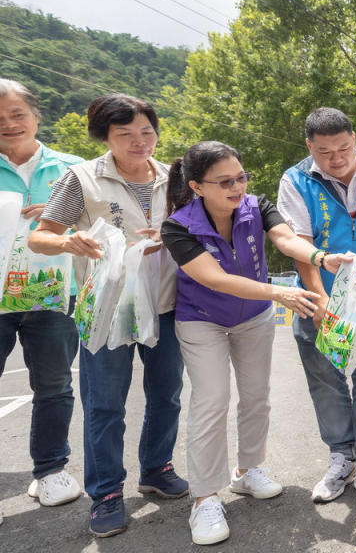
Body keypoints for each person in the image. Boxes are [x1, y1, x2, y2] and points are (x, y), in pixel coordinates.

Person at [160, 141, 350, 545]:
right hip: (202, 320)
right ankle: (205, 498)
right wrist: (278, 294)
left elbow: (284, 238)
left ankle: (248, 471)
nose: (237, 188)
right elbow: (214, 278)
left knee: (256, 396)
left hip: (252, 319)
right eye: (225, 182)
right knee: (211, 401)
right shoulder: (178, 225)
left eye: (241, 177)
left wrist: (319, 257)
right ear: (197, 186)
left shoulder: (257, 205)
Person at [28, 94, 187, 538]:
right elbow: (41, 238)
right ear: (104, 137)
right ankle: (106, 493)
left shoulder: (175, 176)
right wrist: (69, 242)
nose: (140, 142)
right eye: (125, 135)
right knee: (104, 405)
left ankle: (156, 468)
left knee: (167, 395)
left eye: (147, 132)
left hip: (167, 303)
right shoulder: (79, 179)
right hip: (107, 309)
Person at [277, 107, 356, 510]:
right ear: (309, 147)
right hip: (321, 298)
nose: (336, 159)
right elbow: (298, 240)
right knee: (327, 378)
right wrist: (316, 299)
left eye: (344, 148)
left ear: (354, 138)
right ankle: (341, 456)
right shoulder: (296, 180)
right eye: (324, 151)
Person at [0, 79, 84, 517]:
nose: (10, 125)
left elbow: (99, 225)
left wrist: (56, 224)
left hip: (54, 295)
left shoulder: (74, 168)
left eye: (17, 114)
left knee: (53, 384)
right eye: (0, 120)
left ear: (36, 116)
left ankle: (50, 470)